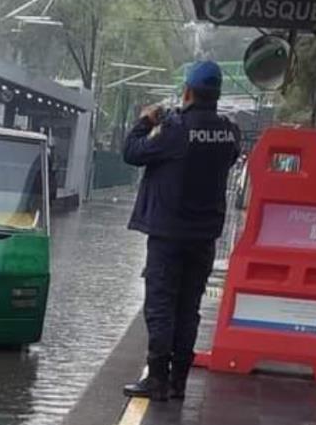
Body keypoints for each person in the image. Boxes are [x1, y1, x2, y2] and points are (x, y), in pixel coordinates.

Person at [121, 60, 241, 402]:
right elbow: (228, 157)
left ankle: (156, 378)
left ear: (187, 91)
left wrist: (146, 120)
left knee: (160, 305)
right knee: (189, 308)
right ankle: (179, 382)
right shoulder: (228, 132)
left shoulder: (175, 131)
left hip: (168, 234)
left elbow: (132, 152)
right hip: (204, 237)